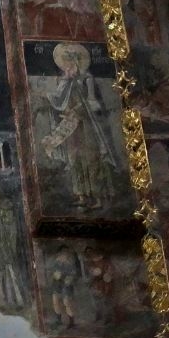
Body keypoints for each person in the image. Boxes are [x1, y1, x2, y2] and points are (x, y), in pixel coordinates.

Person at [40, 43, 120, 212]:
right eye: (65, 61)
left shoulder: (87, 79)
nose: (68, 65)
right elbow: (58, 101)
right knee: (74, 159)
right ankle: (81, 195)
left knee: (91, 158)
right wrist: (48, 99)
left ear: (77, 61)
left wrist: (77, 110)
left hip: (86, 124)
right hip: (71, 125)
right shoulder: (64, 81)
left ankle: (98, 197)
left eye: (71, 60)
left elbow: (93, 103)